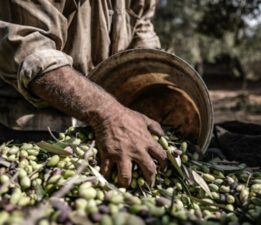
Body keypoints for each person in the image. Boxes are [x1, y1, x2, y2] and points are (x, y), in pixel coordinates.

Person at [0, 0, 167, 187]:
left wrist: (160, 92)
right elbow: (29, 49)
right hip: (29, 131)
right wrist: (109, 114)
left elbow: (143, 36)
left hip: (106, 135)